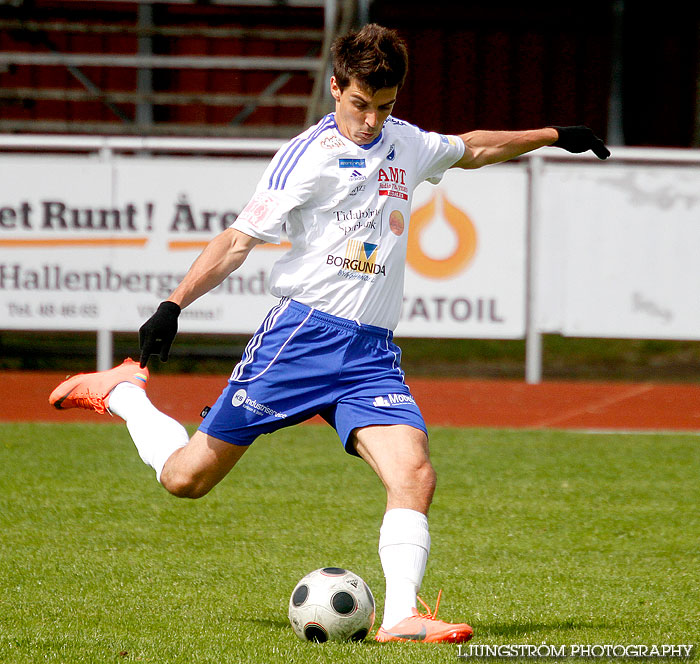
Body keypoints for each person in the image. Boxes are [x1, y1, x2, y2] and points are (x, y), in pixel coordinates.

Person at [49, 23, 609, 644]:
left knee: (414, 473)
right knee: (186, 480)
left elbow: (471, 147)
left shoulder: (406, 143)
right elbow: (238, 241)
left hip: (370, 355)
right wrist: (173, 304)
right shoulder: (306, 155)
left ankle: (398, 617)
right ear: (336, 87)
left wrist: (555, 135)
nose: (372, 121)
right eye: (360, 104)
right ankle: (124, 392)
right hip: (301, 339)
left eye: (386, 106)